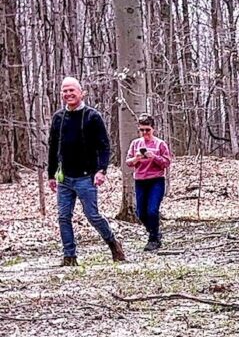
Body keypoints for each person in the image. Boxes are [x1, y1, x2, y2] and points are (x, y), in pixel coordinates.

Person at [47, 76, 125, 266]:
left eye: (71, 90)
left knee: (92, 215)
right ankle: (69, 256)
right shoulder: (58, 118)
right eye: (65, 91)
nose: (68, 94)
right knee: (63, 216)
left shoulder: (92, 116)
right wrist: (51, 175)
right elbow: (53, 147)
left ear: (81, 93)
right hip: (65, 177)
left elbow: (104, 146)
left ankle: (113, 243)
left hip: (86, 177)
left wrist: (101, 170)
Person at [125, 115, 172, 252]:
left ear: (153, 129)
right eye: (142, 130)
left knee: (152, 210)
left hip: (156, 180)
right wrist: (136, 158)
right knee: (141, 213)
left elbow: (167, 162)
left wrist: (154, 157)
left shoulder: (160, 144)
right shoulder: (135, 144)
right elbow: (128, 162)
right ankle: (154, 232)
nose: (145, 133)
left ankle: (153, 239)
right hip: (140, 180)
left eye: (147, 130)